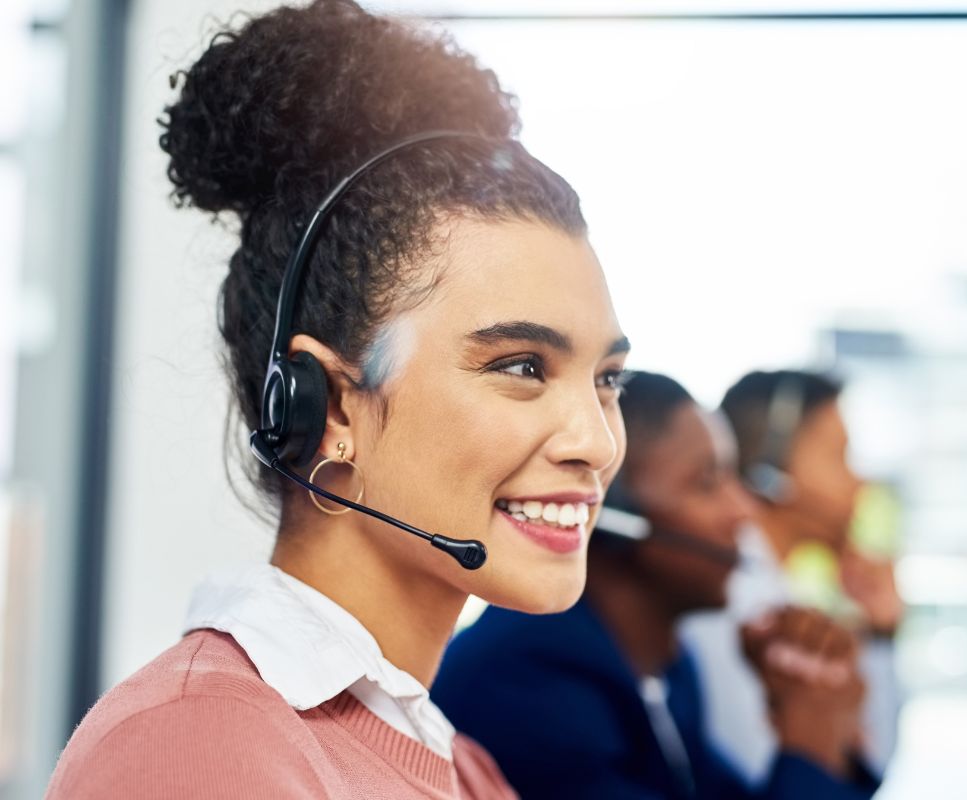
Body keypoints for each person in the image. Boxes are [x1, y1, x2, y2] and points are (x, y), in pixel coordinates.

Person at [46, 1, 630, 797]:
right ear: (332, 404)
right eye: (522, 366)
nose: (596, 442)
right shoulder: (198, 751)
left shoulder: (466, 770)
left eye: (607, 380)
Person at [434, 371, 879, 799]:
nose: (744, 510)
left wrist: (817, 704)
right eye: (707, 482)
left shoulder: (666, 665)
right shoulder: (528, 685)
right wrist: (810, 741)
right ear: (614, 517)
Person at [681, 369, 904, 784]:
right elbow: (768, 775)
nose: (859, 481)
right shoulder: (731, 596)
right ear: (771, 464)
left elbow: (863, 766)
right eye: (840, 455)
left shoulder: (773, 587)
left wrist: (881, 635)